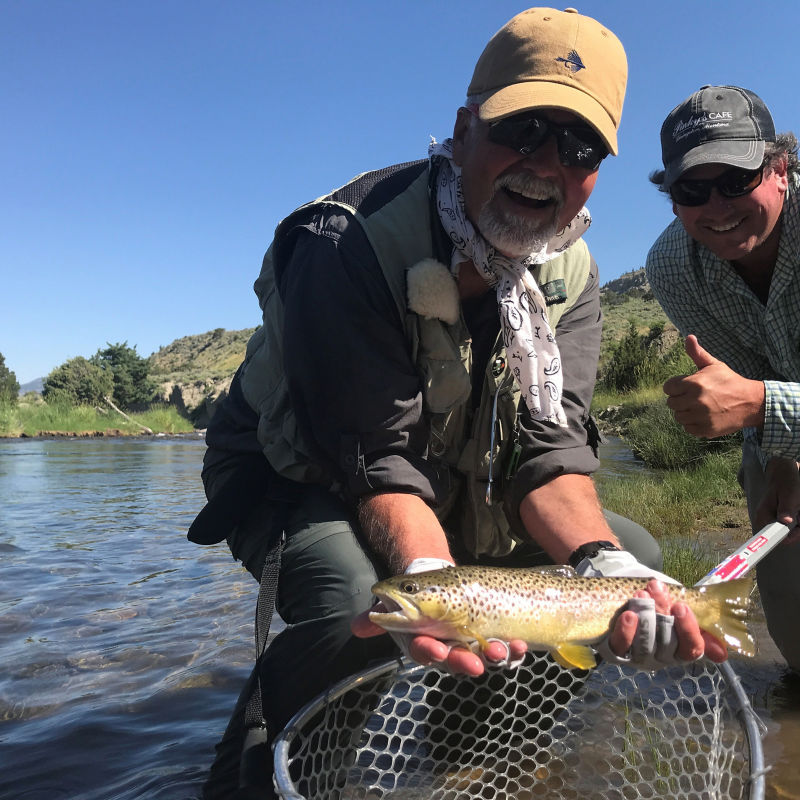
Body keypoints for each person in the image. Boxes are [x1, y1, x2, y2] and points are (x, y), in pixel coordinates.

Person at [191, 10, 725, 798]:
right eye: (525, 129)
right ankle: (267, 775)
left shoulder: (570, 276)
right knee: (357, 595)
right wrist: (437, 581)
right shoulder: (346, 240)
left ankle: (474, 767)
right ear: (465, 129)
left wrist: (604, 566)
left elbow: (550, 456)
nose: (546, 165)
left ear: (598, 171)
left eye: (578, 147)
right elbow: (375, 458)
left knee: (626, 545)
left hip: (440, 475)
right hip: (297, 475)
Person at [645, 85, 800, 672]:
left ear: (781, 168)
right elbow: (752, 385)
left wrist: (762, 405)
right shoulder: (671, 267)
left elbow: (755, 397)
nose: (718, 206)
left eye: (737, 180)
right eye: (693, 190)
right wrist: (788, 456)